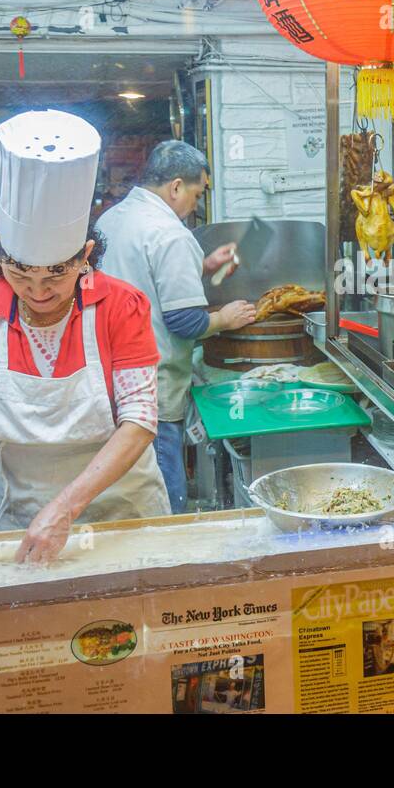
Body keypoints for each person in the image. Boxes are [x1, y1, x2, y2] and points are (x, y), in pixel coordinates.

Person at [0, 110, 170, 582]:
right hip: (17, 517)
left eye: (57, 273)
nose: (38, 291)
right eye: (20, 273)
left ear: (84, 256)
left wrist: (65, 508)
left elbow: (140, 418)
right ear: (0, 252)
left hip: (122, 510)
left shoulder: (123, 306)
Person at [96, 141, 255, 512]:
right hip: (154, 390)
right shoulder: (171, 234)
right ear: (176, 187)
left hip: (106, 380)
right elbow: (184, 322)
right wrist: (225, 319)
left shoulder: (112, 220)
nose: (195, 205)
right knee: (163, 490)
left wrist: (201, 265)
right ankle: (170, 547)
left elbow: (142, 280)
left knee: (123, 488)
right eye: (196, 194)